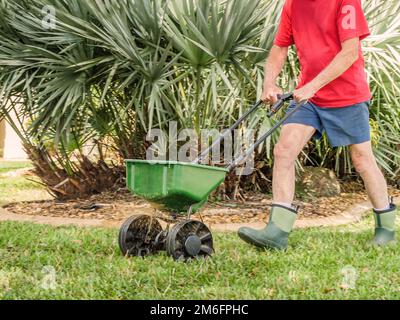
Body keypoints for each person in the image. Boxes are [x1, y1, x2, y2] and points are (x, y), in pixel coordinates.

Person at [238, 0, 397, 250]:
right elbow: (279, 48)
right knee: (284, 151)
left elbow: (349, 52)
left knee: (362, 160)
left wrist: (314, 85)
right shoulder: (292, 4)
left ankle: (386, 228)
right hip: (310, 99)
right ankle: (277, 231)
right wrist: (269, 83)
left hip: (347, 95)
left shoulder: (345, 2)